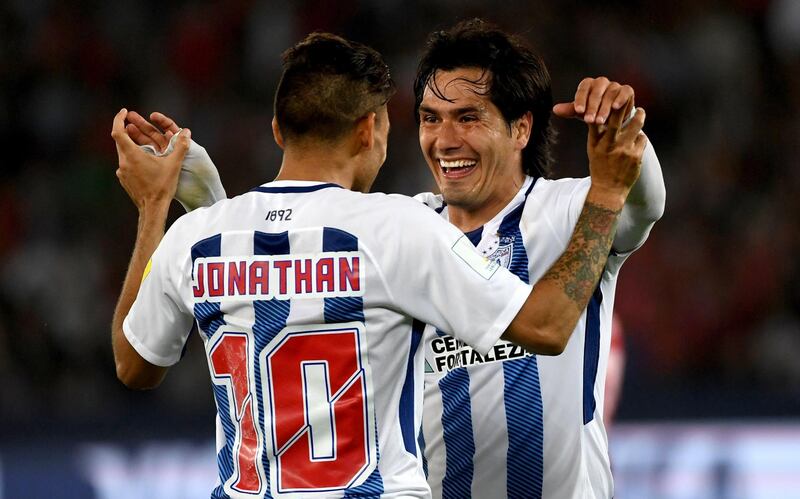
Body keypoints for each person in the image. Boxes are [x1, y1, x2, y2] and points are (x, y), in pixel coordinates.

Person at [111, 32, 644, 499]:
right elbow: (547, 327)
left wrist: (161, 205)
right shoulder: (396, 228)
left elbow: (134, 365)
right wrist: (609, 190)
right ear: (370, 130)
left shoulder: (197, 236)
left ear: (277, 130)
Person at [412, 20, 665, 498]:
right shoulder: (406, 229)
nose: (444, 140)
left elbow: (646, 204)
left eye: (467, 118)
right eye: (430, 118)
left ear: (520, 128)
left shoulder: (571, 210)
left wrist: (625, 129)